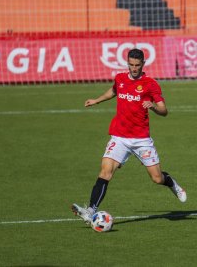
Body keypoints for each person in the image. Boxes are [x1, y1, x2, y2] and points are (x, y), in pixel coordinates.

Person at [72, 48, 186, 224]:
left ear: (143, 64)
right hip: (120, 137)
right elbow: (113, 91)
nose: (134, 68)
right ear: (127, 63)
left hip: (141, 140)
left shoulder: (150, 84)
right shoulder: (120, 78)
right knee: (105, 171)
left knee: (157, 178)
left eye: (137, 65)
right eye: (131, 65)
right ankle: (90, 210)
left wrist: (153, 106)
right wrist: (97, 100)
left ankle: (171, 183)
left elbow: (164, 110)